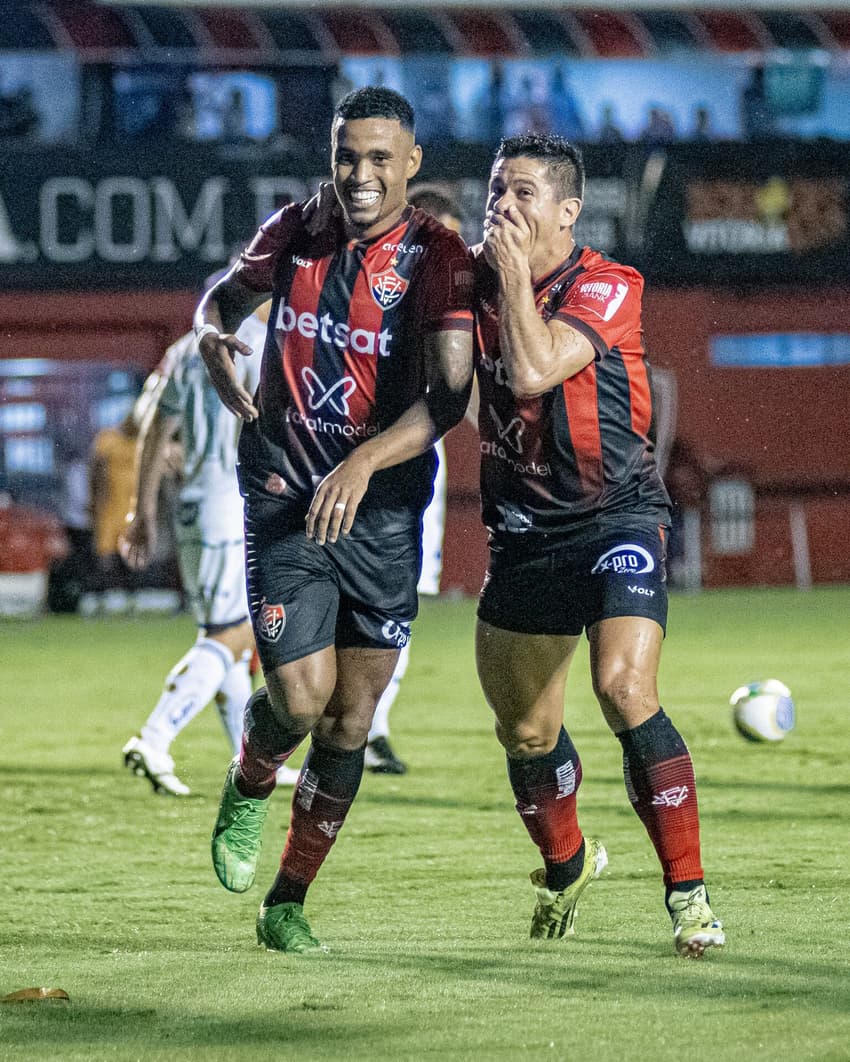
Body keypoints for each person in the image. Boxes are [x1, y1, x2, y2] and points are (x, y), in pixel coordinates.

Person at [196, 86, 473, 954]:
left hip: (382, 511)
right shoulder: (295, 227)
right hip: (283, 488)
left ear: (411, 163)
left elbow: (451, 397)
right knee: (301, 697)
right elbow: (219, 303)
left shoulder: (439, 256)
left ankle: (288, 901)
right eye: (346, 156)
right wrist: (210, 338)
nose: (359, 174)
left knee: (352, 720)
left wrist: (364, 461)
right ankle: (251, 775)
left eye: (379, 159)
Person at [471, 132, 724, 958]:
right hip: (523, 534)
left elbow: (538, 368)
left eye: (522, 193)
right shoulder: (468, 284)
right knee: (527, 735)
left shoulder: (610, 284)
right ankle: (567, 862)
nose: (502, 206)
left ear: (567, 211)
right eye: (496, 190)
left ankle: (687, 895)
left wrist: (508, 279)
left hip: (616, 517)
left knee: (622, 686)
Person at [120, 303, 303, 795]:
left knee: (225, 634)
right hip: (231, 503)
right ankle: (155, 737)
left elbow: (151, 428)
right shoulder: (260, 346)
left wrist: (141, 511)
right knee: (232, 637)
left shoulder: (183, 351)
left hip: (193, 506)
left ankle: (249, 757)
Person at [363, 184, 465, 775]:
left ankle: (370, 727)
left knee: (404, 604)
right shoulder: (377, 283)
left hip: (423, 459)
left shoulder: (452, 290)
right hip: (363, 452)